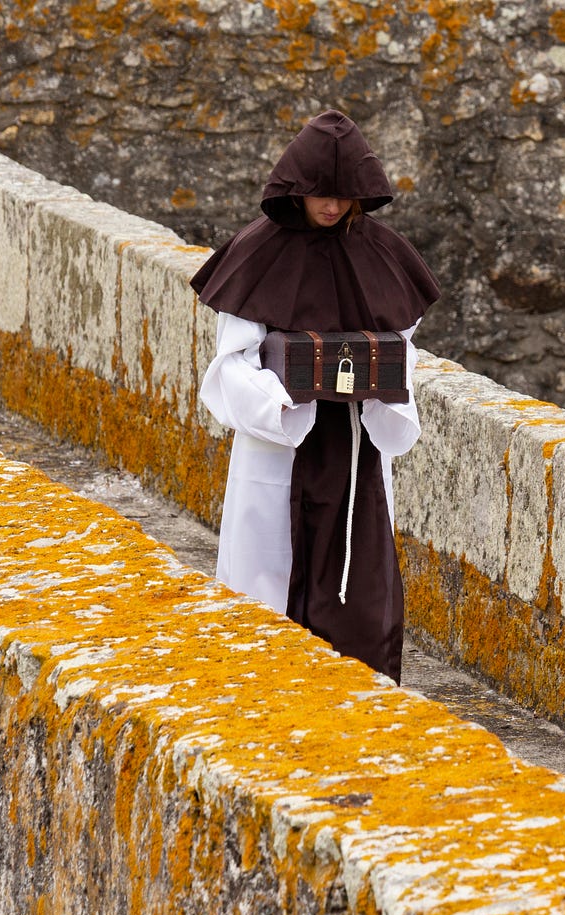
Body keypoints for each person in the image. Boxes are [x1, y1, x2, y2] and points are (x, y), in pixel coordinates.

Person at [190, 110, 439, 683]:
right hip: (284, 440)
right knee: (267, 587)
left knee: (358, 582)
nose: (331, 206)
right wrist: (283, 400)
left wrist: (385, 394)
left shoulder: (381, 254)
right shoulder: (258, 253)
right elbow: (233, 363)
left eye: (343, 195)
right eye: (321, 194)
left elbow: (398, 346)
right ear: (297, 189)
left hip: (356, 446)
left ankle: (360, 699)